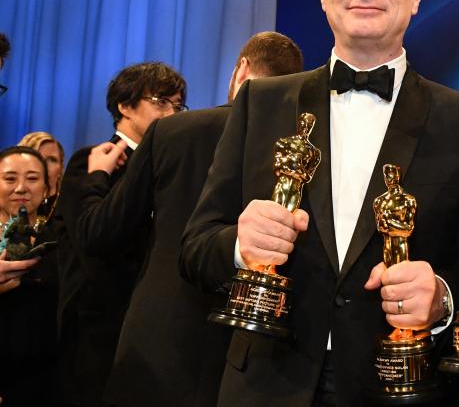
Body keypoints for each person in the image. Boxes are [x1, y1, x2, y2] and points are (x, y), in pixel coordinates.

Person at [180, 0, 459, 407]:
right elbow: (196, 248)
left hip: (395, 385)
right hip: (264, 384)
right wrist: (241, 245)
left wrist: (441, 299)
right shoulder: (260, 104)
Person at [64, 33, 302, 407]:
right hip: (262, 349)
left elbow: (100, 234)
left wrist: (96, 180)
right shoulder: (305, 147)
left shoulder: (174, 132)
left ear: (241, 70)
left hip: (163, 339)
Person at [56, 61, 186, 406]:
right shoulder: (90, 160)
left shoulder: (172, 164)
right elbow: (92, 239)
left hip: (152, 324)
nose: (171, 113)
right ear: (125, 107)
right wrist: (100, 177)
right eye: (160, 101)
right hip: (96, 330)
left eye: (178, 105)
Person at [0, 146, 60, 406]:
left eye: (33, 178)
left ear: (47, 189)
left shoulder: (61, 243)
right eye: (10, 178)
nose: (21, 188)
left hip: (42, 381)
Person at [18, 132, 65, 222]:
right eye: (37, 157)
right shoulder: (8, 204)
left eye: (52, 160)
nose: (44, 165)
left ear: (61, 168)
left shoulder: (72, 208)